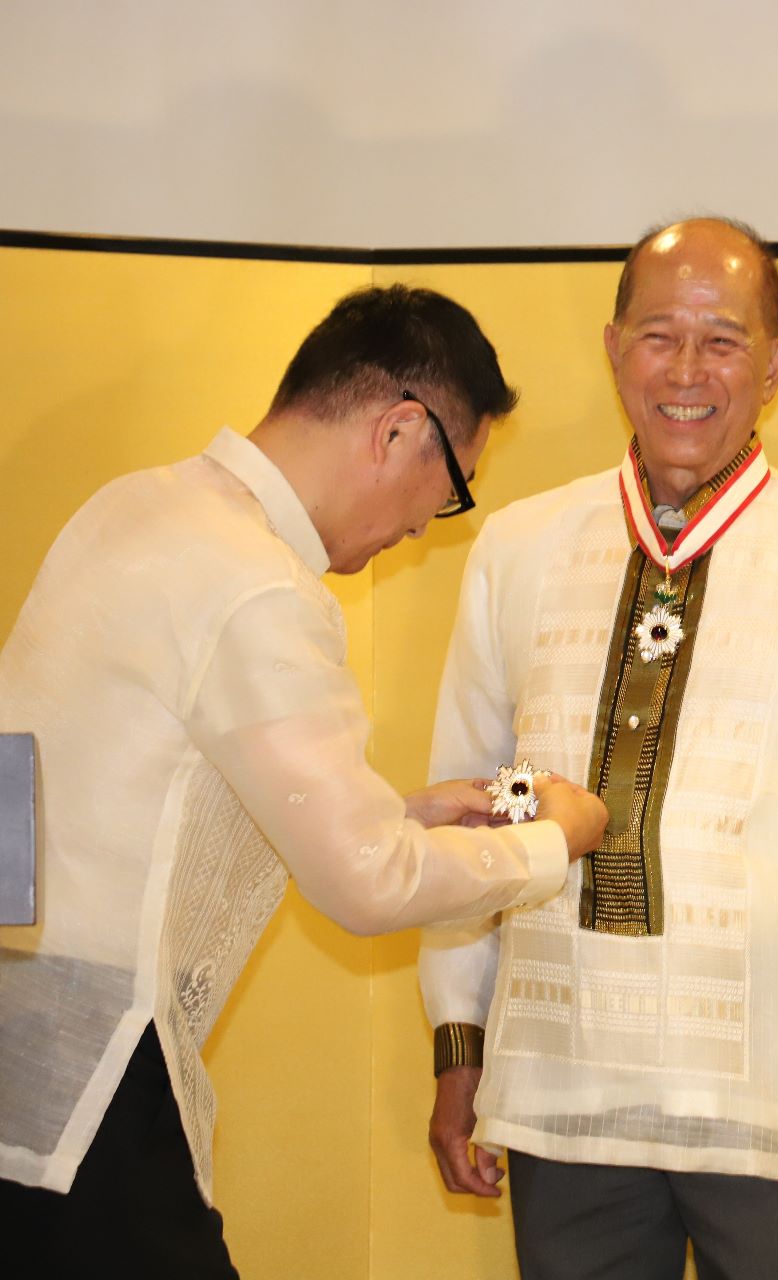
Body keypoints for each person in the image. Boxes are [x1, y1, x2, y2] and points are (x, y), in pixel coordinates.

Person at [0, 283, 608, 1278]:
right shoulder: (261, 585)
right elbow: (367, 882)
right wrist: (555, 838)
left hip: (27, 1036)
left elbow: (160, 780)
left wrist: (405, 809)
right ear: (400, 430)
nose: (426, 528)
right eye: (451, 488)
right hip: (101, 1075)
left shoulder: (137, 503)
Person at [419, 219, 778, 1280]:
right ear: (614, 347)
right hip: (560, 1090)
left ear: (775, 362)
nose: (686, 370)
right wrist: (458, 1043)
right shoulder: (518, 546)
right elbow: (470, 815)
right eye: (659, 335)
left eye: (722, 340)